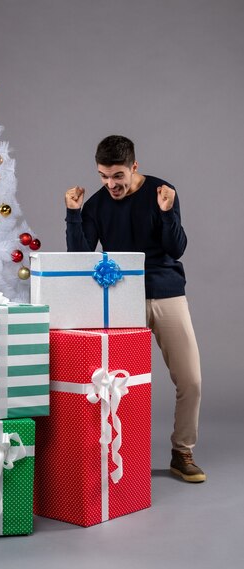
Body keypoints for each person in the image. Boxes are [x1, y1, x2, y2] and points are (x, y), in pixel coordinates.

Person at [65, 135, 205, 483]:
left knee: (191, 380)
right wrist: (73, 215)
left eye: (118, 176)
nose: (111, 184)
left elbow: (177, 249)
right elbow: (82, 258)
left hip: (167, 291)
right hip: (122, 298)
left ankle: (181, 452)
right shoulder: (97, 205)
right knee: (116, 384)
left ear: (134, 167)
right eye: (104, 176)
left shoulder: (162, 192)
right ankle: (119, 456)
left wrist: (168, 212)